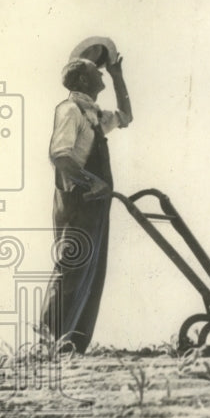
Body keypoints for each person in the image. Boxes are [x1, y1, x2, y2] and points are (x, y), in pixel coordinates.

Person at [40, 51, 132, 354]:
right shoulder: (70, 110)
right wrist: (91, 182)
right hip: (77, 200)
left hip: (96, 203)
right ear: (81, 79)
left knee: (93, 273)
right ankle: (46, 344)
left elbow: (126, 116)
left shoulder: (92, 115)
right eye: (98, 72)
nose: (102, 75)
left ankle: (72, 346)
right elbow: (61, 157)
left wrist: (118, 76)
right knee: (72, 268)